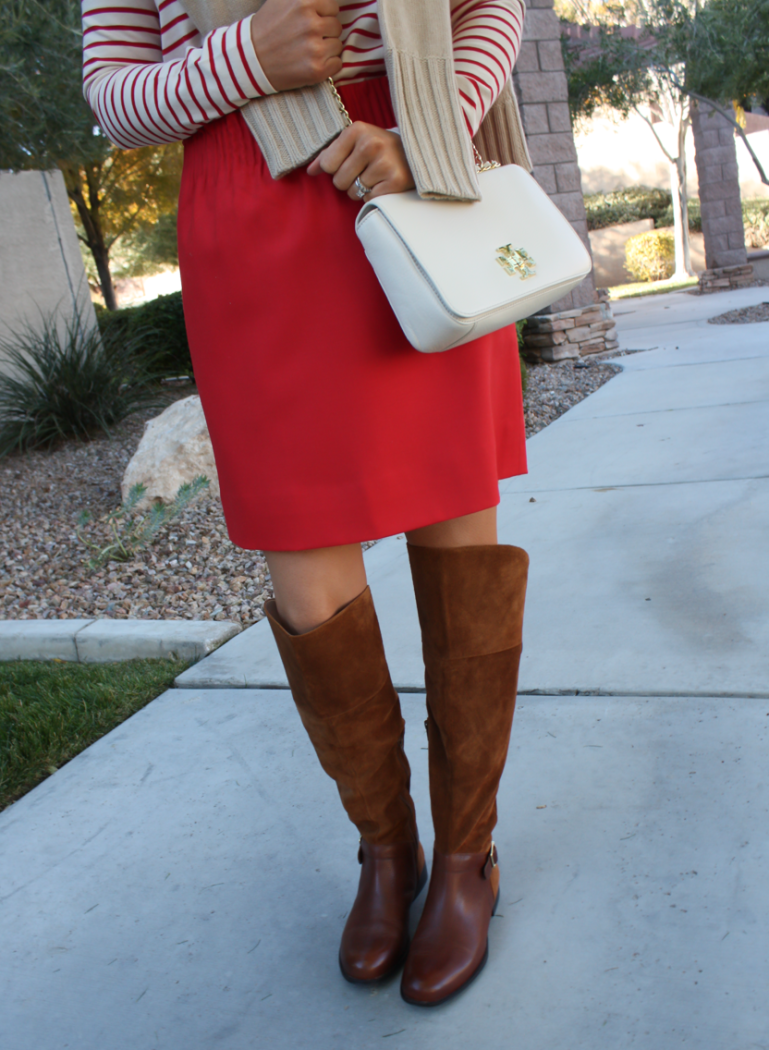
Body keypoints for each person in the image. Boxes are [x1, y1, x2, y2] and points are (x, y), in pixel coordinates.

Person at [82, 0, 530, 1006]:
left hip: (417, 174)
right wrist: (246, 53)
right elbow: (115, 96)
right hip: (258, 204)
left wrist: (433, 130)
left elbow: (489, 8)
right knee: (307, 567)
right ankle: (386, 849)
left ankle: (466, 856)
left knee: (459, 534)